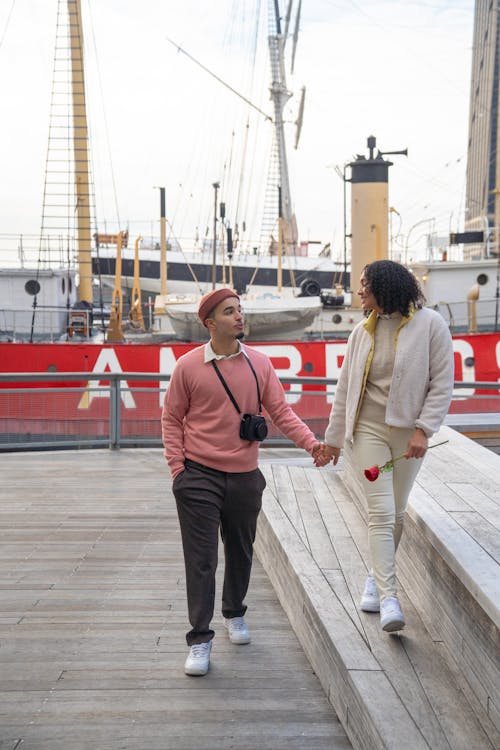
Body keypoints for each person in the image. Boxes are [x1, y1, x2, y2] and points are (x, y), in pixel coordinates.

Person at [162, 287, 328, 676]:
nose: (239, 317)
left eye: (239, 310)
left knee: (241, 552)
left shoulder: (260, 364)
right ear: (209, 322)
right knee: (201, 560)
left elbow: (282, 412)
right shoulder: (187, 367)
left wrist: (312, 445)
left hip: (245, 476)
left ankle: (234, 612)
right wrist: (178, 472)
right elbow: (171, 419)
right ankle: (200, 639)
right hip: (197, 476)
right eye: (228, 311)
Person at [322, 260, 454, 632]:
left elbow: (442, 384)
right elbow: (345, 391)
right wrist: (333, 441)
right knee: (380, 511)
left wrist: (424, 431)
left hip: (407, 435)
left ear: (385, 287)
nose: (359, 291)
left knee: (395, 511)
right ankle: (390, 596)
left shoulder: (431, 326)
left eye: (365, 285)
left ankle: (374, 578)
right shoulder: (361, 333)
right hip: (367, 431)